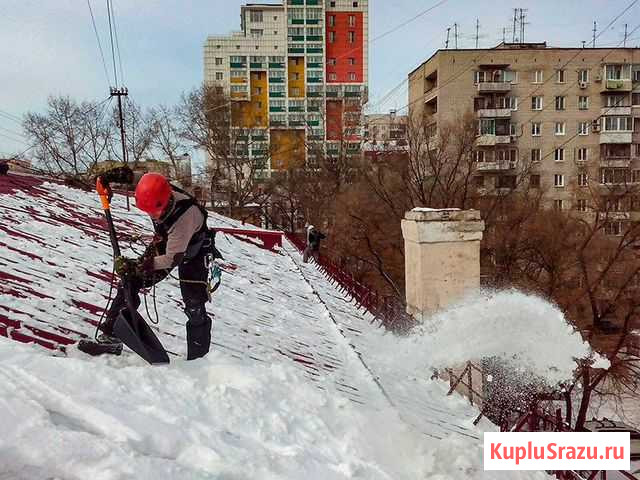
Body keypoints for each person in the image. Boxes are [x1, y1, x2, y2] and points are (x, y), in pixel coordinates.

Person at [96, 166, 214, 360]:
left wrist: (138, 265)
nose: (152, 216)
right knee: (130, 280)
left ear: (167, 201)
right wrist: (108, 177)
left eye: (155, 212)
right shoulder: (156, 187)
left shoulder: (185, 216)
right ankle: (110, 337)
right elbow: (137, 178)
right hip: (167, 241)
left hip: (194, 252)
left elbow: (171, 259)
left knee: (194, 306)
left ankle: (198, 360)